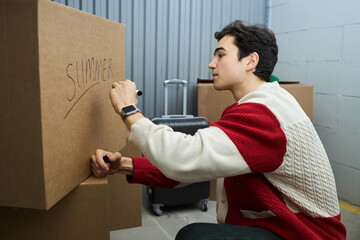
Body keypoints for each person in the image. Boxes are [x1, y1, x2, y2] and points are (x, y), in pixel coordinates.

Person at [91, 20, 346, 240]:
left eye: (221, 55)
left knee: (194, 236)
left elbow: (183, 158)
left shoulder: (264, 114)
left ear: (250, 61)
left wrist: (129, 110)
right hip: (279, 226)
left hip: (307, 234)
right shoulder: (261, 104)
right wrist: (123, 165)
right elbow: (194, 167)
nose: (211, 64)